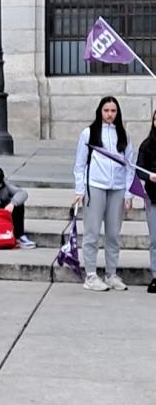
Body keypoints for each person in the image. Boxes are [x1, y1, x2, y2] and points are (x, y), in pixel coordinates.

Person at [74, 96, 136, 292]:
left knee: (113, 234)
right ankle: (91, 275)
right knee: (92, 233)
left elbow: (130, 166)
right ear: (100, 111)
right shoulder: (89, 133)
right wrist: (79, 189)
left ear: (118, 113)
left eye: (113, 111)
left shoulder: (123, 134)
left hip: (117, 188)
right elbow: (80, 164)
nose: (109, 114)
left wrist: (128, 194)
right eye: (106, 110)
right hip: (95, 186)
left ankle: (111, 274)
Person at [136, 109, 156, 293]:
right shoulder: (147, 145)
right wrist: (150, 176)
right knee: (155, 240)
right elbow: (139, 169)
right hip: (153, 197)